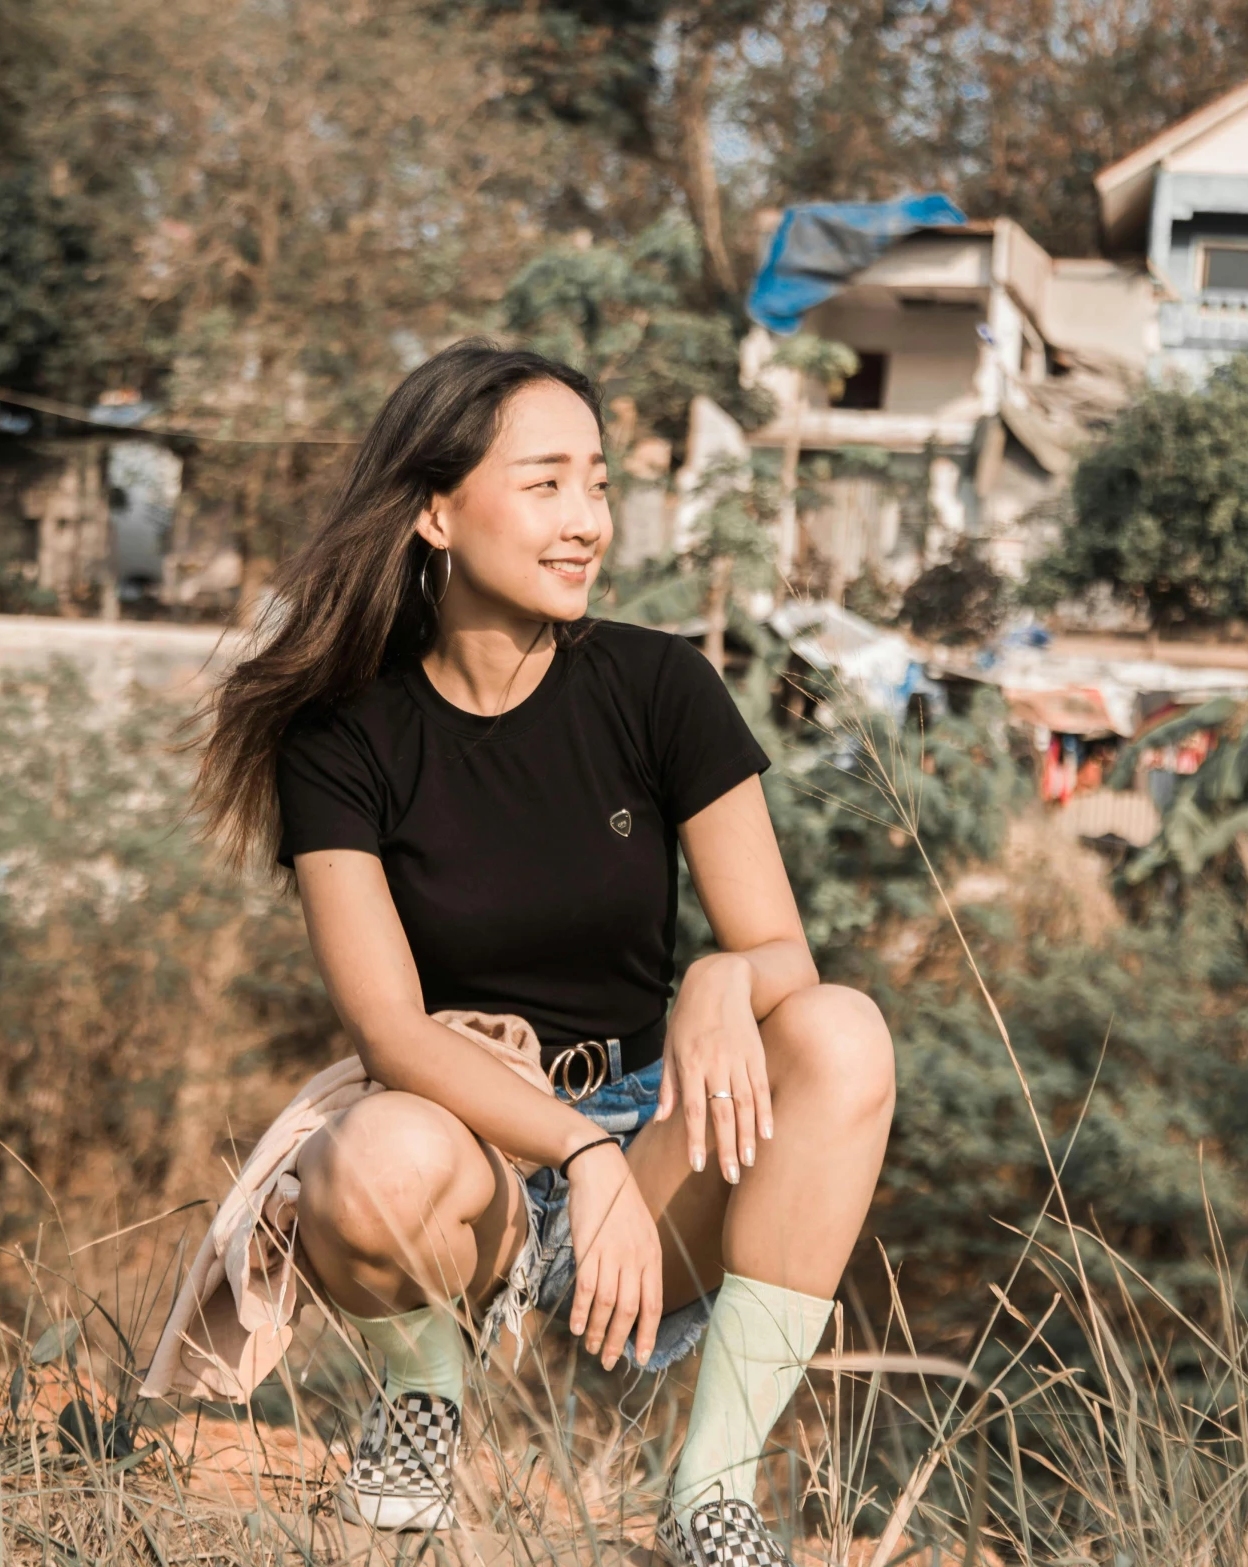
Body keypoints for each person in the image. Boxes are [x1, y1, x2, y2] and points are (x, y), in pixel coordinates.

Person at [193, 340, 896, 1567]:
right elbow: (391, 1033)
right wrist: (575, 1147)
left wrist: (721, 979)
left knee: (841, 1030)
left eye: (600, 484)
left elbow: (778, 945)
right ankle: (422, 1406)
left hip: (663, 1136)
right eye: (546, 484)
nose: (586, 524)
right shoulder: (342, 735)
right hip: (471, 1154)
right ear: (434, 512)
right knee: (370, 1153)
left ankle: (712, 1498)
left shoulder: (658, 683)